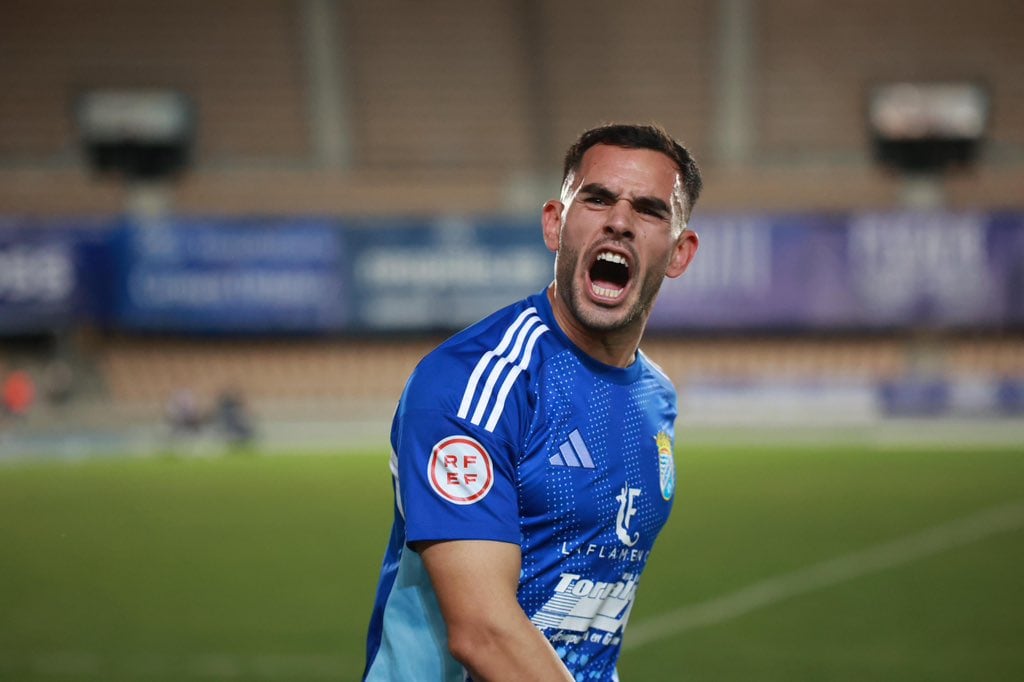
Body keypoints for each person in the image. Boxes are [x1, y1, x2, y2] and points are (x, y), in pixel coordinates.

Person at [363, 123, 702, 681]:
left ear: (679, 253)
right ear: (555, 224)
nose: (618, 221)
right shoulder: (473, 383)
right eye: (596, 199)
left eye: (648, 209)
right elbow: (484, 631)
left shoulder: (654, 397)